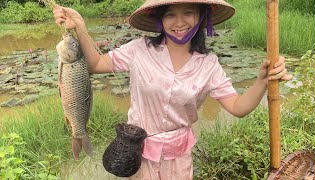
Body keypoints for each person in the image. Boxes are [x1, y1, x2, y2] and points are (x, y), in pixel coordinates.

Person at [53, 0, 293, 179]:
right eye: (170, 15)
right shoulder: (139, 49)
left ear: (201, 16)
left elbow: (238, 107)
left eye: (188, 12)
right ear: (160, 19)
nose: (179, 22)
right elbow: (95, 64)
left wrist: (262, 81)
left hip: (179, 159)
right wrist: (80, 28)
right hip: (139, 152)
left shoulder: (208, 64)